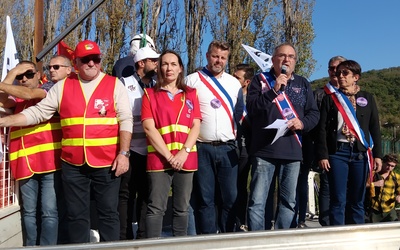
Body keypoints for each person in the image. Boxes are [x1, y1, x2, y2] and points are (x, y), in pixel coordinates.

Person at [0, 40, 133, 243]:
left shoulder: (115, 84)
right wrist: (5, 121)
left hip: (107, 162)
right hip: (73, 164)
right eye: (86, 60)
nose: (91, 64)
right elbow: (38, 112)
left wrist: (124, 154)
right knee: (76, 217)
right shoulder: (61, 87)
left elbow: (126, 120)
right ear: (76, 63)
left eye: (95, 59)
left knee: (108, 214)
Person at [246, 42, 319, 230]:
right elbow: (252, 109)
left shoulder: (303, 83)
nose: (287, 59)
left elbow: (314, 114)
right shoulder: (260, 80)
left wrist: (302, 124)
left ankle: (282, 239)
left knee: (288, 202)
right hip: (264, 150)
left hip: (292, 151)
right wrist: (273, 90)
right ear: (273, 59)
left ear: (295, 61)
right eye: (282, 56)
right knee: (257, 201)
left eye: (291, 57)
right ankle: (257, 242)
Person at [0, 61, 62, 246]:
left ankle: (47, 248)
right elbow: (2, 99)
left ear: (38, 74)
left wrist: (7, 80)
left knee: (49, 211)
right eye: (20, 77)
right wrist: (13, 72)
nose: (24, 79)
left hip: (49, 162)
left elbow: (28, 93)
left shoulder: (49, 90)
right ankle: (30, 247)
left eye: (28, 74)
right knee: (28, 212)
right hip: (24, 164)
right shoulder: (17, 101)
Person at [142, 50, 201, 237]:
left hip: (186, 159)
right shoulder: (150, 94)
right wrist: (169, 156)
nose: (169, 68)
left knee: (182, 208)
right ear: (159, 68)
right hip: (160, 160)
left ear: (180, 68)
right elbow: (149, 128)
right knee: (156, 208)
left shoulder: (191, 94)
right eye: (165, 64)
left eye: (173, 64)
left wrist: (184, 152)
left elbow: (196, 124)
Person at [186, 40, 243, 234]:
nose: (218, 60)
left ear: (227, 59)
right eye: (215, 56)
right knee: (205, 198)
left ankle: (227, 238)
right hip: (202, 147)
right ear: (207, 56)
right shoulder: (192, 80)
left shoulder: (234, 83)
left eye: (223, 57)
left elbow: (240, 114)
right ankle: (208, 239)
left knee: (230, 197)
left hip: (228, 148)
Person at [316, 60, 382, 225]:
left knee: (357, 199)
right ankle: (337, 237)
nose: (340, 77)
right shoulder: (330, 99)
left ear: (356, 77)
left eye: (345, 73)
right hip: (338, 152)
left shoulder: (367, 98)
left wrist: (378, 156)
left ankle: (357, 236)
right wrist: (323, 155)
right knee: (338, 198)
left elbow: (374, 128)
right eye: (338, 73)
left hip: (360, 153)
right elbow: (322, 129)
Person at [118, 46, 159, 240]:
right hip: (130, 149)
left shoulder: (157, 86)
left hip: (151, 150)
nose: (157, 64)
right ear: (141, 63)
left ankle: (143, 236)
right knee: (126, 195)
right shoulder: (123, 84)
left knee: (146, 194)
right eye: (154, 60)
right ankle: (124, 235)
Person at [313, 55, 347, 227]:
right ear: (328, 71)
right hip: (327, 148)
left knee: (346, 188)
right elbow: (317, 125)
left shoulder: (354, 94)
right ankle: (327, 225)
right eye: (332, 68)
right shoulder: (319, 94)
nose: (336, 71)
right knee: (327, 185)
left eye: (340, 68)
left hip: (350, 149)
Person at [232, 63, 254, 231]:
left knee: (241, 186)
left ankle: (240, 220)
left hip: (246, 147)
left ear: (246, 82)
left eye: (237, 77)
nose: (233, 79)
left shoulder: (253, 99)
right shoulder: (228, 95)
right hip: (229, 146)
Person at [368, 154, 400, 222]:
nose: (389, 168)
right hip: (375, 208)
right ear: (383, 162)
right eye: (388, 165)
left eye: (392, 166)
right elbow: (362, 185)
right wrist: (374, 184)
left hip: (389, 209)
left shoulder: (396, 177)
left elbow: (399, 191)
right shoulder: (374, 175)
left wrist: (398, 196)